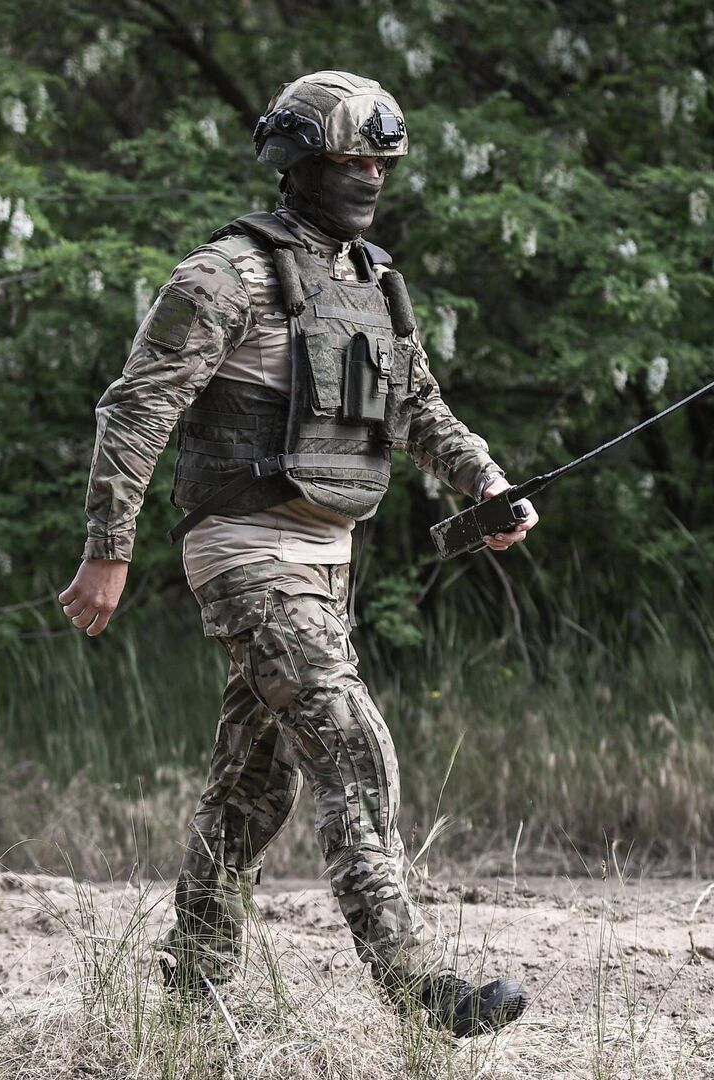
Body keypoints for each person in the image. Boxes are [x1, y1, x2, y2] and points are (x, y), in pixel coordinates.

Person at [57, 70, 534, 1037]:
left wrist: (484, 484)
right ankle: (416, 990)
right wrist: (110, 549)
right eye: (348, 161)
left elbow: (419, 408)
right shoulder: (223, 274)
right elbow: (138, 409)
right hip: (242, 550)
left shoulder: (374, 282)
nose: (365, 178)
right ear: (299, 163)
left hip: (328, 559)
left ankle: (190, 990)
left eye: (379, 164)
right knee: (351, 745)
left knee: (253, 782)